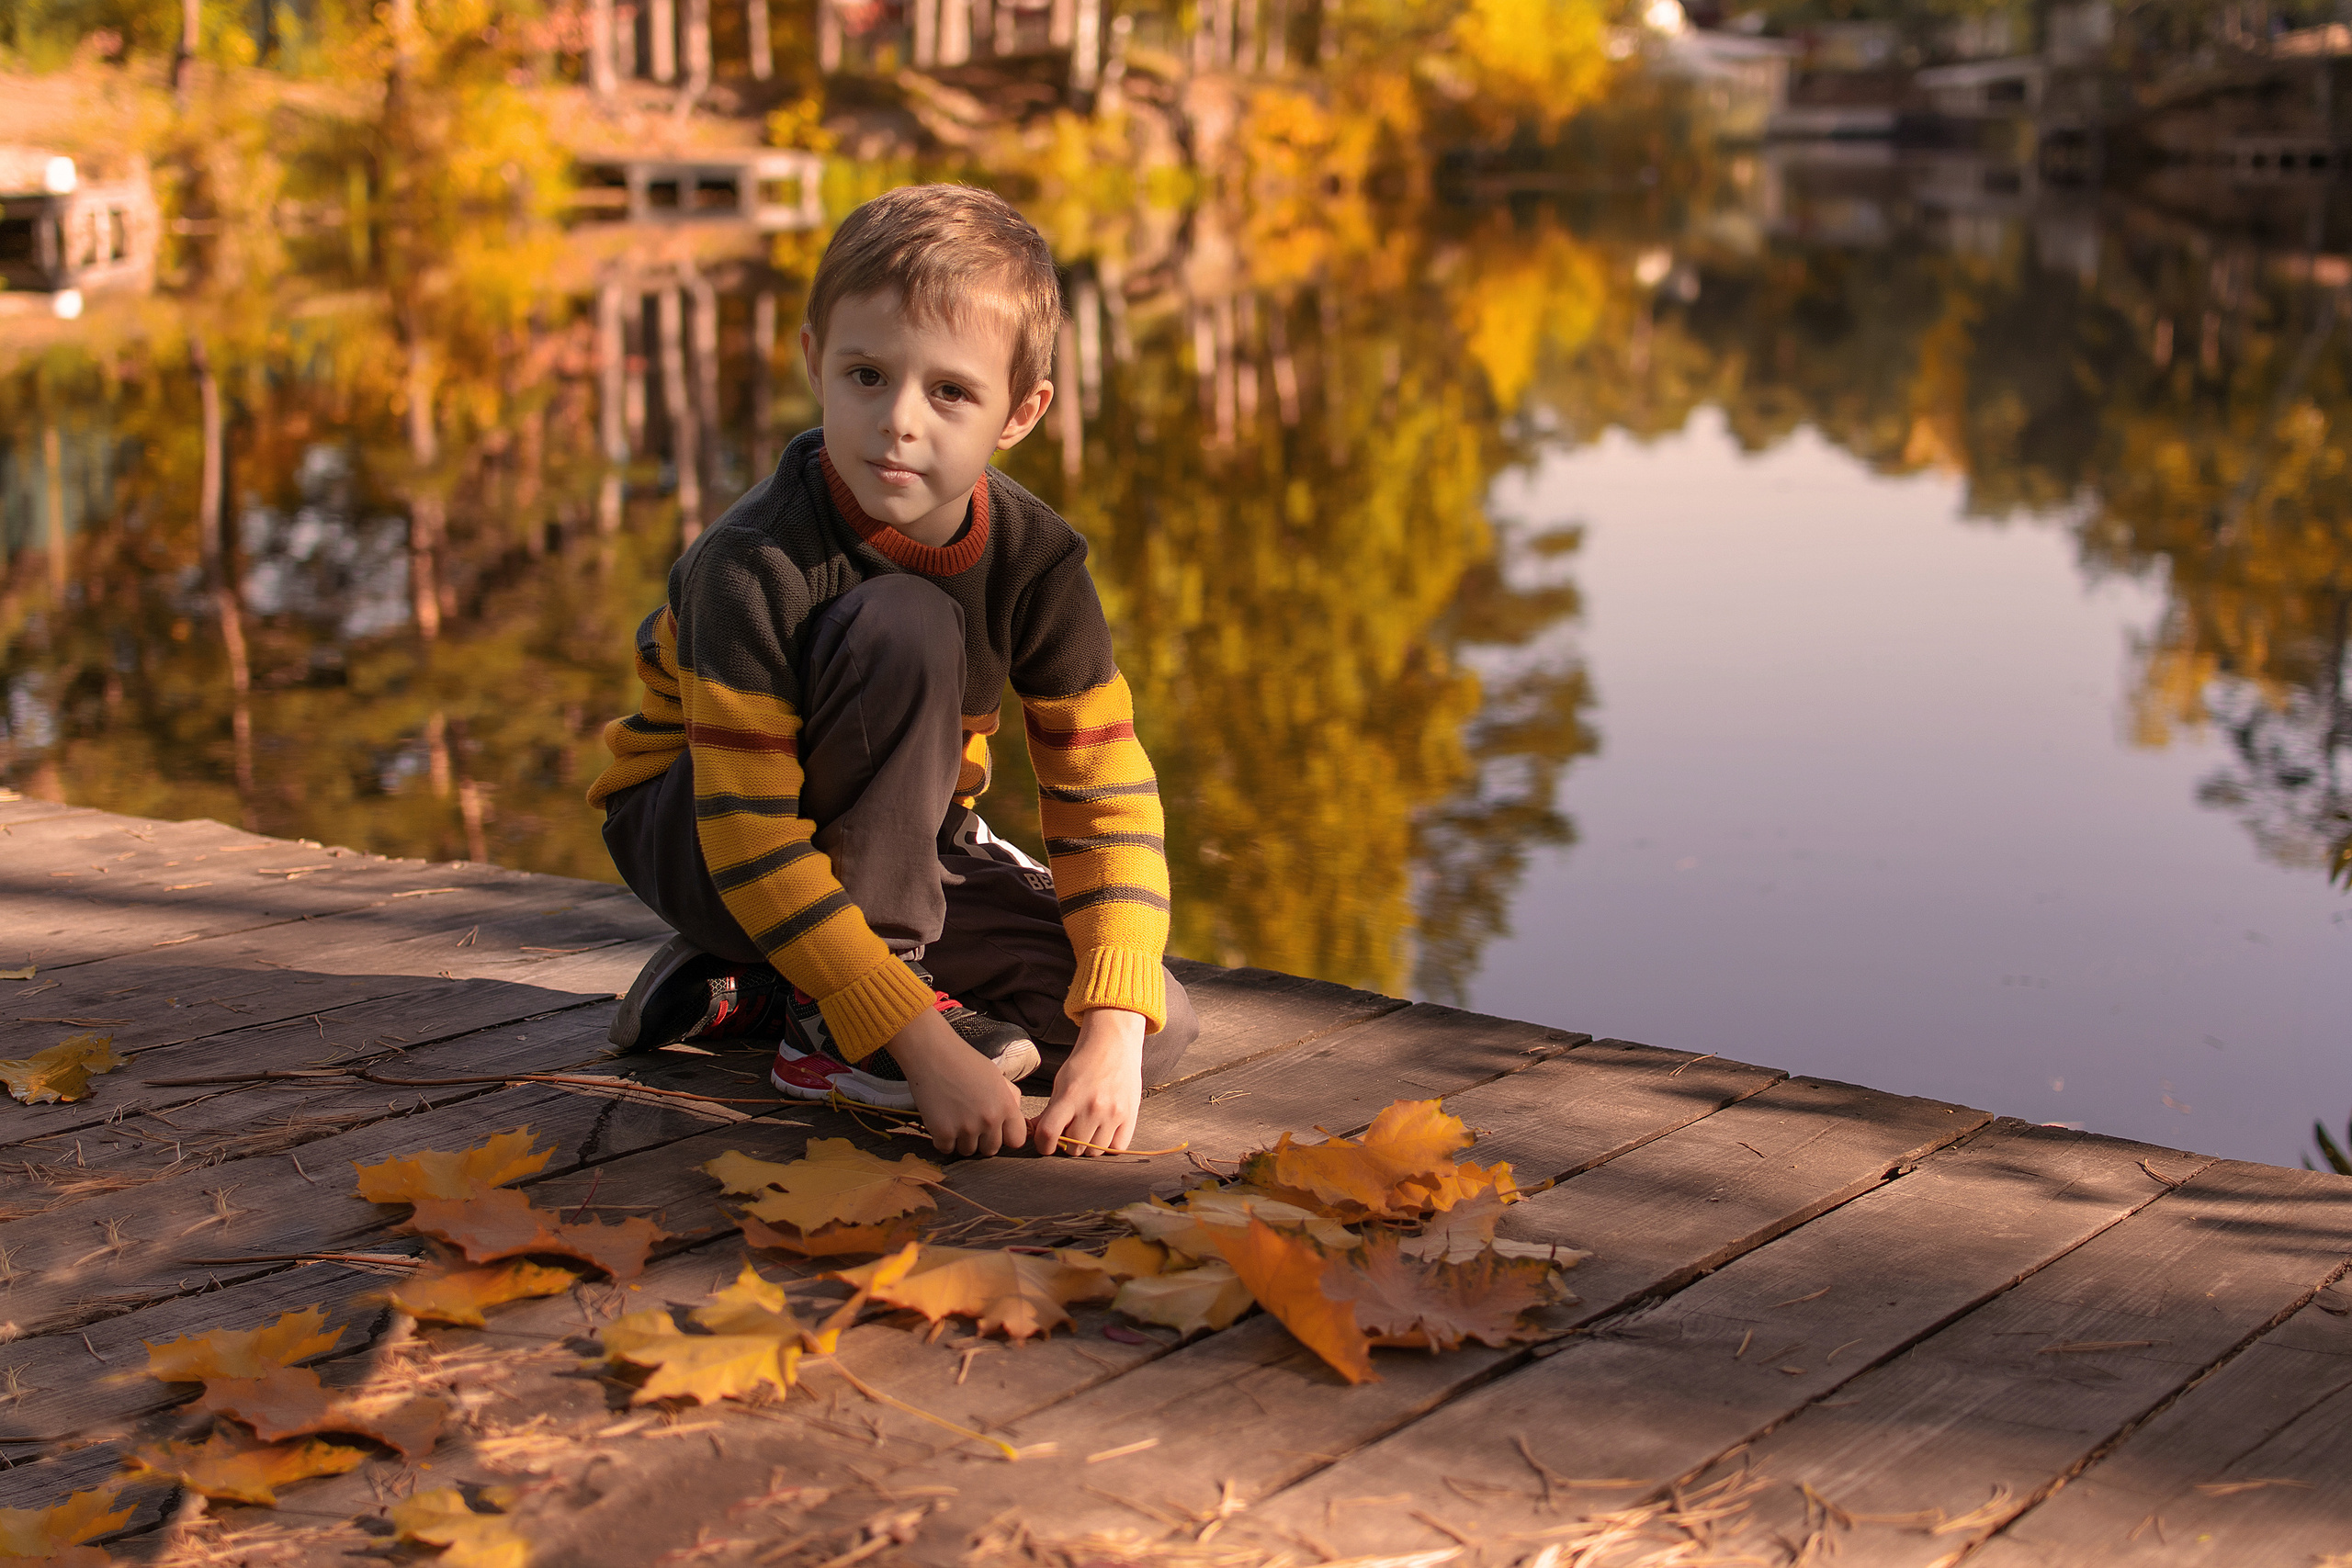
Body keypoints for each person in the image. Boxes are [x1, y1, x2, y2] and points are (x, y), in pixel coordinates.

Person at [587, 184, 1196, 1160]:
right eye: (865, 375)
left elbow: (1106, 791)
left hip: (898, 833)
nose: (897, 422)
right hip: (700, 826)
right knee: (907, 624)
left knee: (1148, 1014)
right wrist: (909, 1031)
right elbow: (746, 828)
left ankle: (759, 986)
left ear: (1020, 412)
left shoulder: (1037, 562)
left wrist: (1115, 1036)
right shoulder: (755, 561)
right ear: (813, 364)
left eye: (950, 391)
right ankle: (835, 1023)